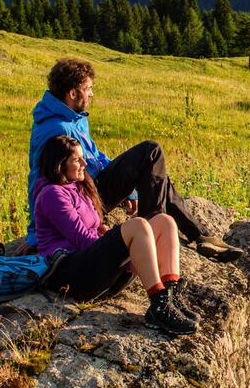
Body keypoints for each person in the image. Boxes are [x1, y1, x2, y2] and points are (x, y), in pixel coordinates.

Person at [27, 57, 239, 262]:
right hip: (82, 197)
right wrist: (36, 231)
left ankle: (200, 236)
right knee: (151, 151)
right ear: (73, 93)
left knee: (156, 173)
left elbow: (96, 156)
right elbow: (41, 177)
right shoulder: (57, 129)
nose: (91, 94)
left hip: (91, 186)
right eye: (88, 88)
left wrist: (130, 188)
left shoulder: (73, 118)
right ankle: (154, 231)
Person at [35, 135, 199, 335]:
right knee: (137, 227)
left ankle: (169, 296)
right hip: (70, 277)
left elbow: (93, 228)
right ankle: (158, 303)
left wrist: (109, 237)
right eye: (77, 160)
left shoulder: (78, 186)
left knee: (164, 221)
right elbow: (83, 240)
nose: (85, 163)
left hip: (94, 270)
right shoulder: (52, 194)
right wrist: (123, 247)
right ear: (59, 165)